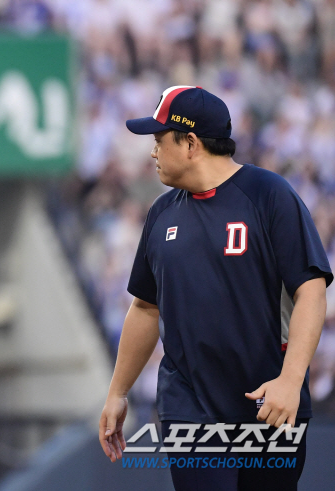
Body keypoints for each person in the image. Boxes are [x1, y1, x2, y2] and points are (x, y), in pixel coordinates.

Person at [98, 86, 332, 490]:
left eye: (158, 140)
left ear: (190, 143)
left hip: (268, 400)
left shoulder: (268, 195)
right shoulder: (161, 213)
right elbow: (145, 308)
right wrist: (118, 391)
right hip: (190, 404)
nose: (152, 151)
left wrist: (291, 381)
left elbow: (310, 290)